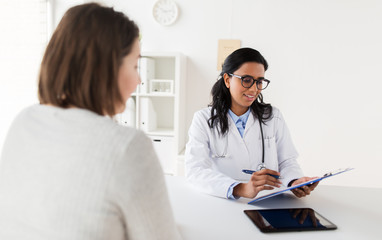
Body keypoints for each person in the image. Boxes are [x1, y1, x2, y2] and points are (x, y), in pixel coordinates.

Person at [0, 3, 182, 240]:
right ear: (105, 68)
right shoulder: (128, 147)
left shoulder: (24, 121)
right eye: (136, 65)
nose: (139, 80)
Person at [185, 47, 319, 199]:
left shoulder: (273, 116)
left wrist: (294, 181)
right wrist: (240, 188)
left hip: (269, 200)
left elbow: (287, 160)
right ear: (228, 80)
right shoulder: (203, 120)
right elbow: (195, 170)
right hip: (225, 202)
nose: (254, 89)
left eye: (259, 81)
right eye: (247, 80)